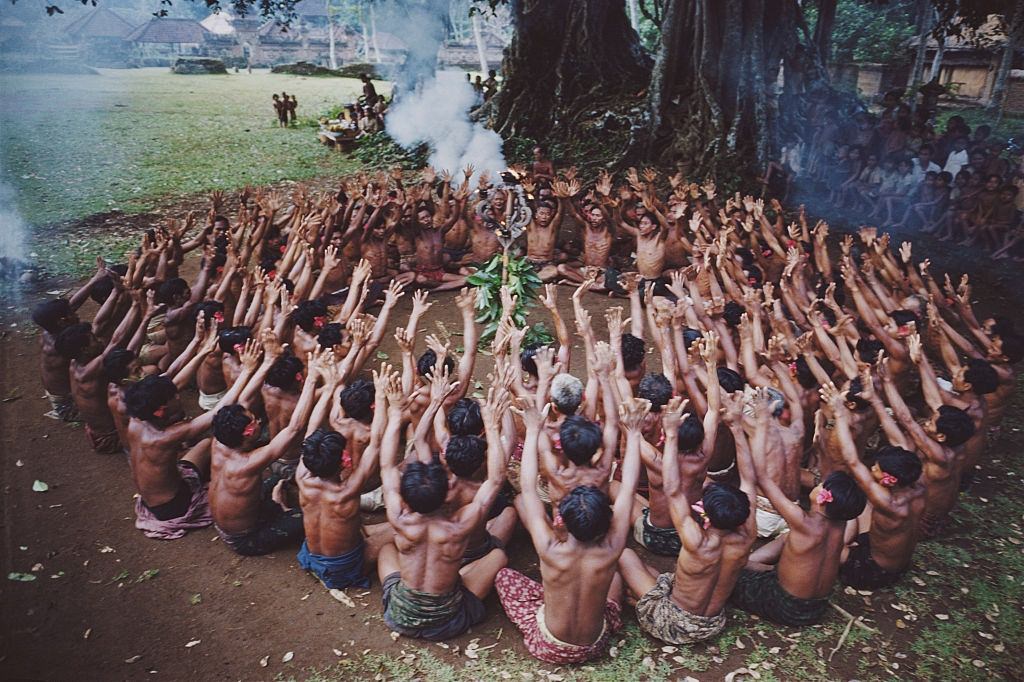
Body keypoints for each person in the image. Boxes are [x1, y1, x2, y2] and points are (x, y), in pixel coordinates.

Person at [495, 397, 648, 664]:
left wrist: (532, 430)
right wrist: (633, 434)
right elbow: (628, 488)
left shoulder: (549, 547)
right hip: (595, 645)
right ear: (607, 522)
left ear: (560, 521)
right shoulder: (613, 547)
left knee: (504, 577)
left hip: (549, 646)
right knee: (613, 580)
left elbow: (529, 489)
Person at [376, 369, 509, 641]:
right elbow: (495, 480)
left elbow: (387, 465)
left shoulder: (400, 517)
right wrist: (493, 427)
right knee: (499, 557)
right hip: (447, 621)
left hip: (398, 616)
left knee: (386, 550)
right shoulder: (459, 525)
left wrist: (395, 413)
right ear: (444, 492)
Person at [730, 396, 867, 626]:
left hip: (786, 606)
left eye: (821, 485)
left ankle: (750, 566)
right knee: (785, 544)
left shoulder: (803, 523)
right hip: (817, 606)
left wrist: (760, 422)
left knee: (728, 571)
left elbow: (762, 477)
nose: (817, 484)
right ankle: (758, 565)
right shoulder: (840, 523)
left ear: (823, 499)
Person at [123, 341, 257, 540]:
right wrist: (247, 371)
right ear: (161, 410)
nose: (178, 397)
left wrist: (201, 350)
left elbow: (175, 383)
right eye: (174, 397)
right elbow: (219, 411)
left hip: (164, 489)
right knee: (221, 447)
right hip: (172, 505)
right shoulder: (164, 437)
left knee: (205, 444)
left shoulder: (137, 418)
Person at [208, 346, 322, 556]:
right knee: (314, 515)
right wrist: (312, 379)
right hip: (244, 538)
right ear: (248, 432)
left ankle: (276, 505)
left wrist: (266, 361)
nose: (258, 419)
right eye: (253, 420)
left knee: (274, 480)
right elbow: (294, 428)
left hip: (230, 519)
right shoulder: (248, 463)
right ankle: (282, 511)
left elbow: (242, 400)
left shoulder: (220, 440)